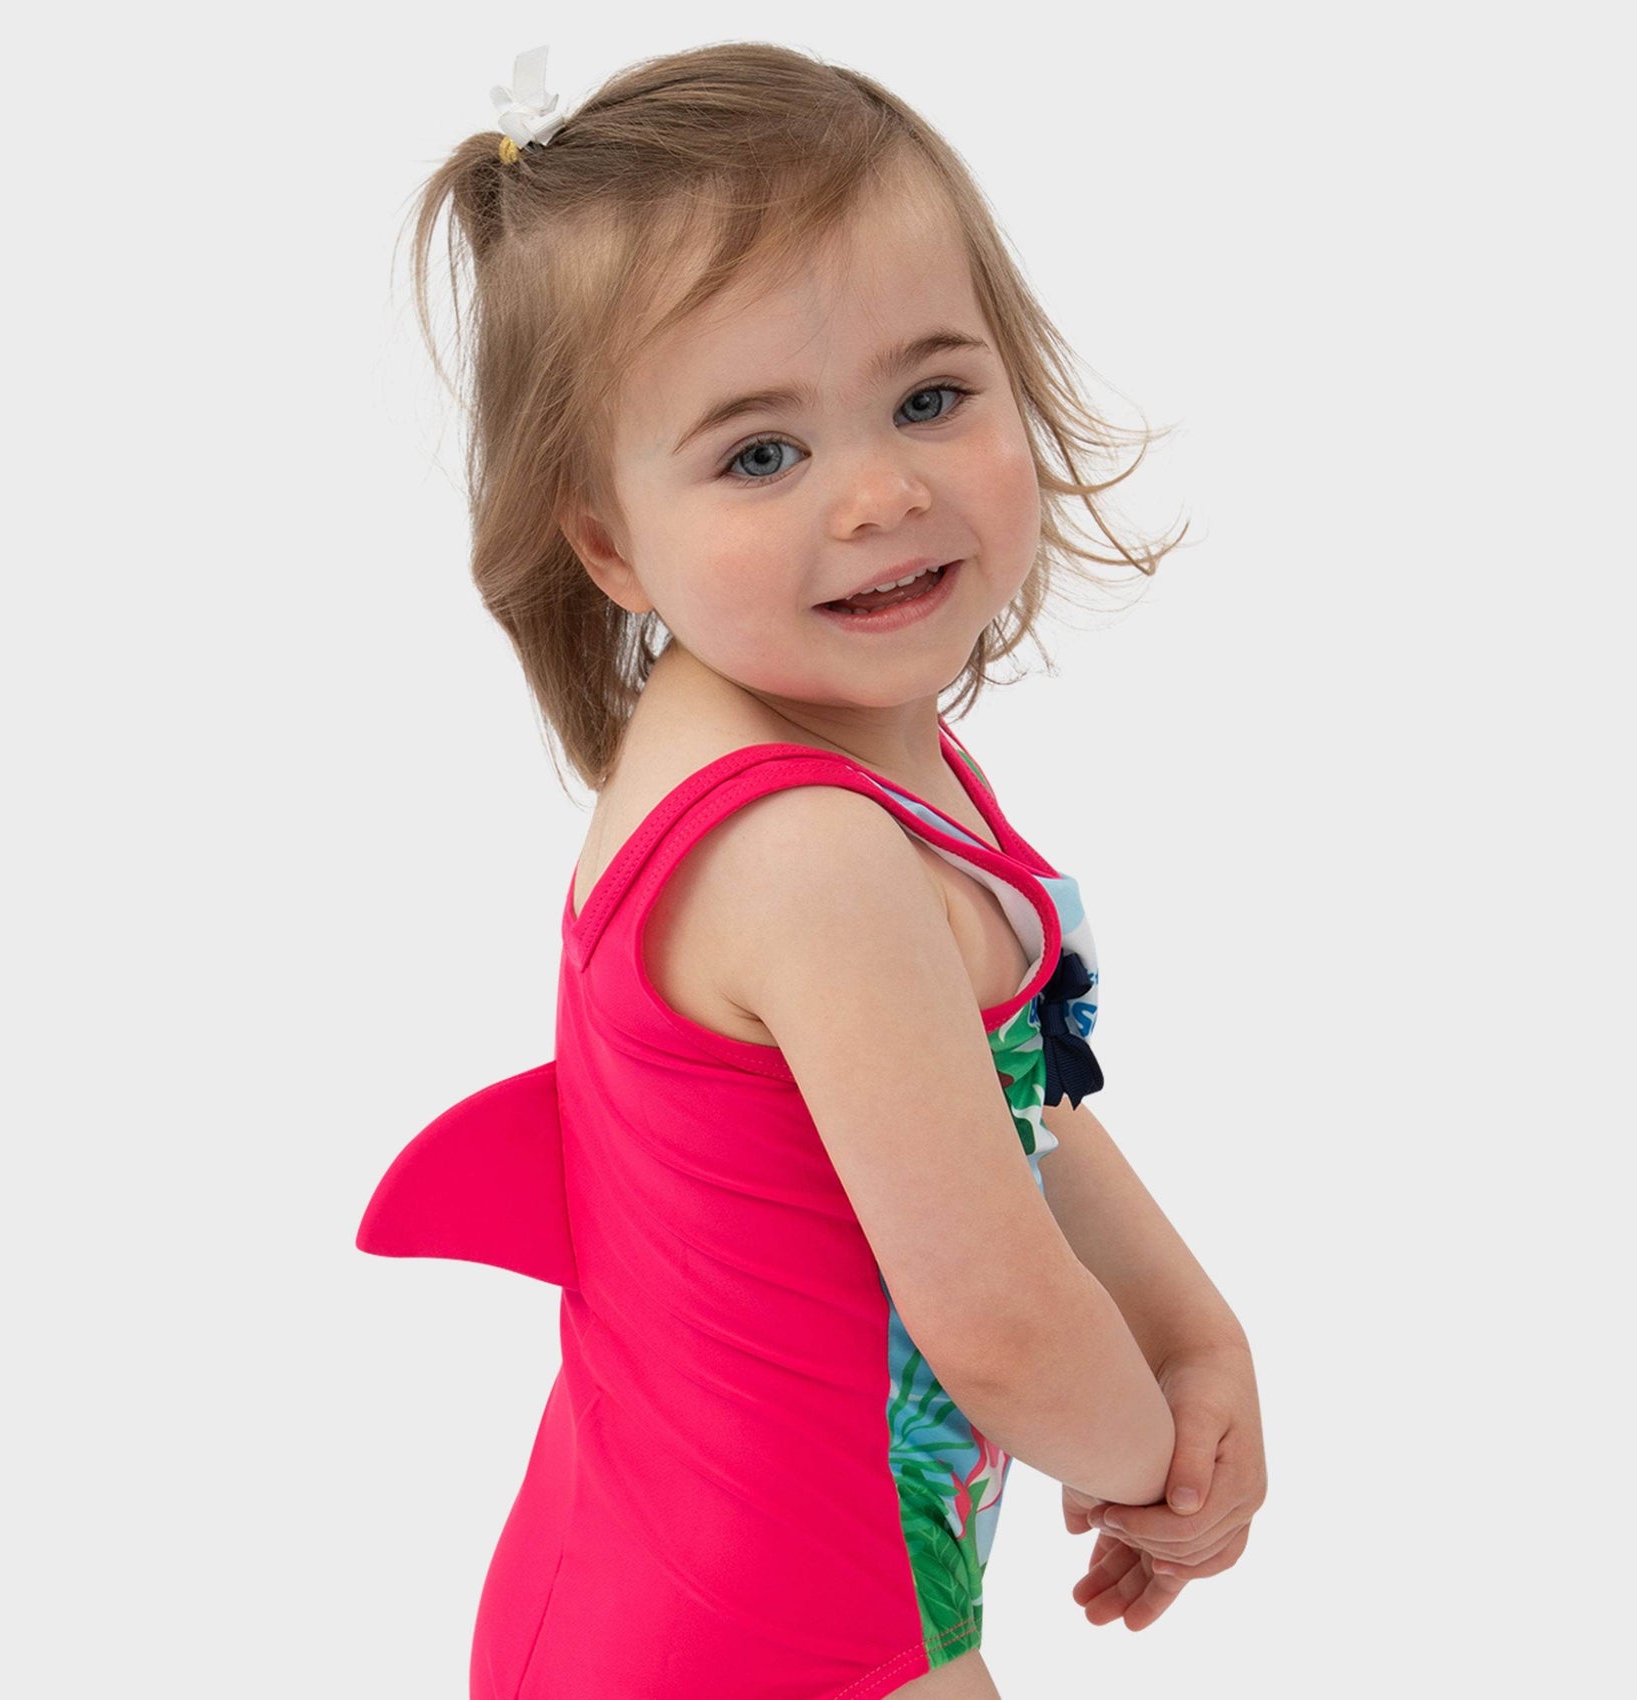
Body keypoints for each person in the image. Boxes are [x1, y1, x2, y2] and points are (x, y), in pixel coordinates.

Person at [356, 40, 1267, 1700]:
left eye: (930, 399)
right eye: (760, 454)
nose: (880, 493)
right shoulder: (805, 855)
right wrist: (1161, 1474)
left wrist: (1197, 1337)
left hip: (702, 1578)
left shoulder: (849, 758)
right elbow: (996, 1325)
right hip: (769, 1639)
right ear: (608, 540)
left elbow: (1005, 1101)